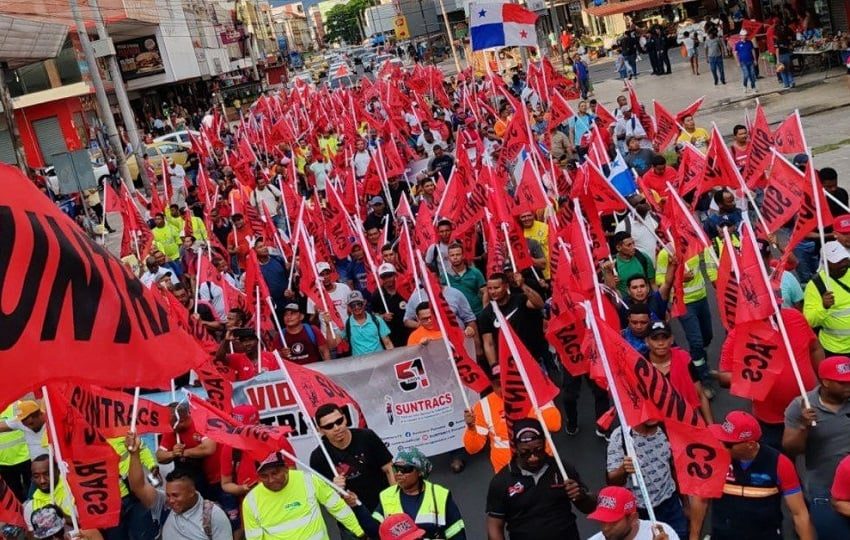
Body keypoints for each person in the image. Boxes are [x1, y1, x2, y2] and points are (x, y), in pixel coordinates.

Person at [690, 411, 815, 540]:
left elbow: (799, 513)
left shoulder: (779, 464)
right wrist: (693, 536)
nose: (722, 446)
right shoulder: (714, 459)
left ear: (750, 445)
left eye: (728, 444)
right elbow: (701, 499)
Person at [717, 305, 821, 451]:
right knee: (782, 460)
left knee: (819, 454)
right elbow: (723, 377)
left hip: (809, 410)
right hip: (773, 421)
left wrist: (824, 380)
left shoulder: (795, 317)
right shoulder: (740, 332)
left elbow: (815, 348)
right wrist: (757, 376)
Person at [486, 418, 596, 540]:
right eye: (525, 452)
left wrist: (582, 496)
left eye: (538, 450)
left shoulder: (562, 469)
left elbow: (590, 507)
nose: (533, 457)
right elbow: (495, 524)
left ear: (545, 443)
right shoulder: (501, 481)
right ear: (515, 448)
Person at [783, 356, 850, 539]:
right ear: (825, 382)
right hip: (824, 488)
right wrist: (803, 427)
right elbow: (790, 449)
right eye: (842, 383)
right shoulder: (800, 407)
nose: (848, 387)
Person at [309, 403, 393, 539]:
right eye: (329, 426)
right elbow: (324, 497)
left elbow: (389, 468)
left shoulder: (366, 437)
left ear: (345, 418)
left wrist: (395, 502)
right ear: (320, 430)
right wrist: (335, 489)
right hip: (352, 519)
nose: (336, 428)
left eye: (339, 421)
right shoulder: (318, 457)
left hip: (382, 507)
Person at [346, 447, 466, 539]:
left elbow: (456, 533)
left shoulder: (441, 496)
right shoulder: (387, 496)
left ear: (420, 472)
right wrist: (357, 507)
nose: (399, 474)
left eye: (405, 469)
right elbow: (375, 532)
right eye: (396, 469)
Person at [463, 365, 561, 472]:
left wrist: (530, 407)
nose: (504, 388)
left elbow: (555, 425)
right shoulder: (482, 407)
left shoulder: (535, 394)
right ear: (492, 385)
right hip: (507, 470)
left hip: (542, 463)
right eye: (498, 384)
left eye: (507, 382)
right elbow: (473, 448)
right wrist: (471, 428)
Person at [219, 405, 295, 539]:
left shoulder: (277, 440)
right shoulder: (229, 447)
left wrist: (272, 482)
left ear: (258, 425)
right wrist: (242, 489)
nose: (242, 433)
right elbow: (225, 484)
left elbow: (292, 472)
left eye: (246, 428)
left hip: (283, 502)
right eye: (238, 429)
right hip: (252, 507)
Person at [605, 420, 687, 538]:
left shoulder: (667, 429)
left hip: (670, 504)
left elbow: (675, 469)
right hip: (639, 511)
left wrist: (686, 504)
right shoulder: (621, 435)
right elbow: (612, 480)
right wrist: (624, 469)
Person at [655, 244, 717, 397]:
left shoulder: (692, 246)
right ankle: (703, 379)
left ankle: (700, 361)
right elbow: (659, 279)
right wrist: (680, 278)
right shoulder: (665, 253)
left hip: (701, 298)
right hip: (683, 303)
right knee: (696, 342)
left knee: (707, 337)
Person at [645, 321, 712, 423]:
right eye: (655, 339)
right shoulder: (641, 366)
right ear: (647, 341)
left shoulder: (684, 359)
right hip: (657, 424)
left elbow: (700, 395)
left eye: (665, 338)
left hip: (688, 419)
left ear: (672, 339)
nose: (661, 343)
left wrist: (711, 426)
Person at [478, 272, 546, 367]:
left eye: (496, 288)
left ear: (506, 286)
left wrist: (522, 285)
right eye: (490, 288)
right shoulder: (486, 314)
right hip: (510, 364)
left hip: (534, 357)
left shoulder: (520, 299)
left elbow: (539, 304)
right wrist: (494, 365)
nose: (492, 292)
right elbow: (489, 343)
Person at [156, 402, 220, 501]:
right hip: (191, 482)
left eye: (171, 423)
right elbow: (159, 456)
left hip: (217, 479)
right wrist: (172, 453)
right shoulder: (172, 430)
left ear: (181, 421)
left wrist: (183, 452)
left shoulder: (200, 422)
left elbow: (209, 448)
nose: (169, 426)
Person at [803, 241, 850, 356]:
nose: (844, 264)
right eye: (838, 261)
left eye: (845, 259)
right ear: (826, 263)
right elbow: (810, 321)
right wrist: (823, 307)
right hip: (836, 349)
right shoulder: (816, 285)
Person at [586, 486, 679, 540]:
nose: (606, 528)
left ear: (633, 518)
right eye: (602, 521)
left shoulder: (662, 533)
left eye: (613, 522)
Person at [330, 291, 394, 356]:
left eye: (359, 304)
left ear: (364, 303)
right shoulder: (348, 324)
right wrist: (327, 324)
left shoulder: (377, 320)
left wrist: (392, 359)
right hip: (359, 362)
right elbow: (333, 344)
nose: (356, 307)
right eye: (353, 305)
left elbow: (388, 343)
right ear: (349, 307)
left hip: (379, 360)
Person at [370, 263, 411, 347]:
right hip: (391, 334)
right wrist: (382, 316)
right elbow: (373, 315)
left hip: (408, 331)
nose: (387, 279)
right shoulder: (377, 295)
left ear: (395, 275)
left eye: (389, 276)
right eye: (384, 277)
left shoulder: (405, 289)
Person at [307, 261, 353, 327]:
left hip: (347, 329)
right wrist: (316, 313)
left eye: (327, 273)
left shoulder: (344, 288)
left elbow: (353, 310)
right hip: (328, 331)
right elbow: (312, 322)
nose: (325, 277)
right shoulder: (313, 296)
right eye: (321, 275)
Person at [0, 404, 30, 503]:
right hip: (4, 462)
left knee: (33, 491)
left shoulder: (17, 405)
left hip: (25, 457)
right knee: (15, 496)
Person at [445, 243, 486, 315]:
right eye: (452, 255)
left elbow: (485, 291)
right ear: (448, 258)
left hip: (477, 313)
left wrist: (485, 310)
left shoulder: (475, 272)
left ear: (463, 255)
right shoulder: (445, 276)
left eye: (458, 254)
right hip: (459, 316)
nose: (455, 257)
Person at [612, 232, 655, 297]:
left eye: (633, 243)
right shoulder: (612, 265)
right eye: (629, 245)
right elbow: (609, 289)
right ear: (618, 248)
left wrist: (657, 300)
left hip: (645, 300)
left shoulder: (643, 258)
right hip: (624, 302)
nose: (633, 247)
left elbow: (653, 283)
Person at [735, 29, 758, 93]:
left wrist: (755, 60)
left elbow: (753, 51)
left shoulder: (749, 42)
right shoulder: (737, 44)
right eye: (743, 35)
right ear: (740, 36)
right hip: (743, 62)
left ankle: (753, 87)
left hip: (751, 61)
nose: (744, 36)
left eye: (745, 35)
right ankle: (745, 86)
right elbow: (735, 53)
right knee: (746, 74)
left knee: (752, 74)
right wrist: (737, 62)